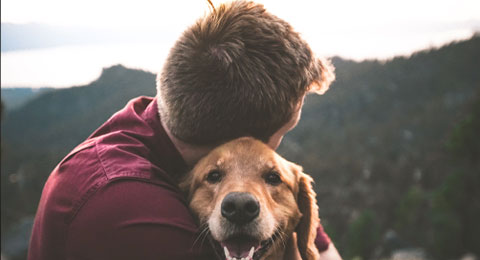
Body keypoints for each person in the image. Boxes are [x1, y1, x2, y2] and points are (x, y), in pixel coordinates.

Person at [28, 1, 341, 259]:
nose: (272, 152)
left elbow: (320, 250)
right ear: (241, 140)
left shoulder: (157, 120)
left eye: (269, 176)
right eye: (284, 131)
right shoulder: (134, 214)